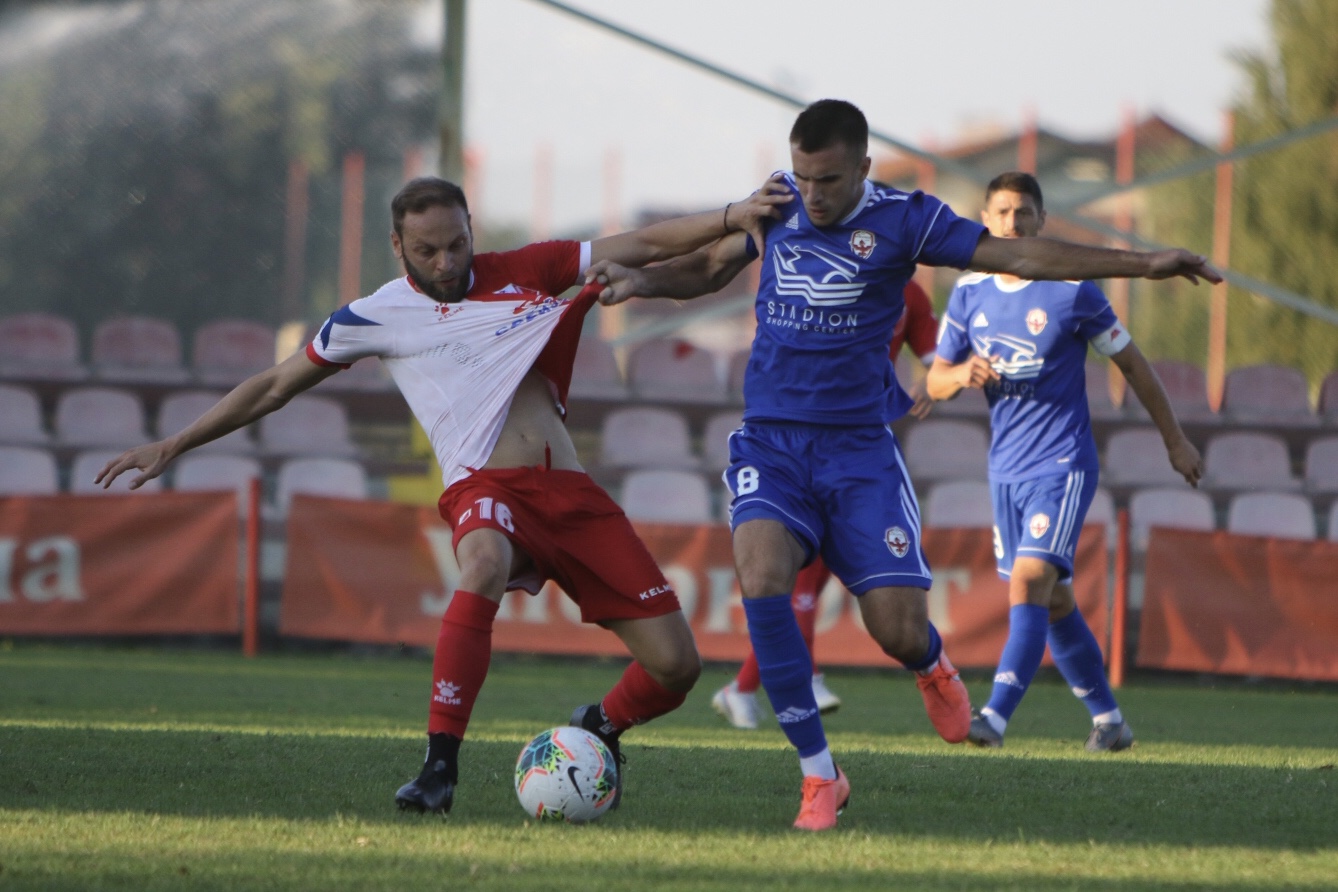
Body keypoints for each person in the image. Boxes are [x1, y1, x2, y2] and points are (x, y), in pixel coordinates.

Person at [585, 99, 1218, 831]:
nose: (811, 195)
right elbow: (708, 264)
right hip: (772, 441)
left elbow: (1018, 255)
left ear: (862, 169)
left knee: (896, 629)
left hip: (859, 451)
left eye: (826, 180)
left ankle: (932, 665)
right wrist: (644, 281)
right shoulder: (777, 204)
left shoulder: (908, 218)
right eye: (801, 177)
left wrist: (1144, 264)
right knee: (760, 578)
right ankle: (820, 778)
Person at [95, 175, 788, 816]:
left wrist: (736, 217)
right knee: (482, 560)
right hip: (483, 485)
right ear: (397, 245)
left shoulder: (530, 270)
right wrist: (175, 444)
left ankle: (598, 726)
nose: (446, 261)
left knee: (676, 667)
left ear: (470, 229)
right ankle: (438, 767)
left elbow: (644, 246)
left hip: (570, 492)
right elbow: (275, 386)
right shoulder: (375, 316)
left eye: (457, 243)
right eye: (427, 249)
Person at [926, 171, 1203, 752]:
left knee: (1029, 582)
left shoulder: (1073, 292)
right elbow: (933, 379)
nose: (1013, 224)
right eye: (1002, 213)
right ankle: (1109, 721)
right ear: (985, 221)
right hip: (1005, 471)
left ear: (1042, 222)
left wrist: (1174, 439)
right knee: (1053, 600)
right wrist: (959, 374)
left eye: (1024, 213)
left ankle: (994, 718)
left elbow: (1134, 366)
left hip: (1062, 462)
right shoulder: (969, 294)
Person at [710, 278, 940, 730]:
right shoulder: (821, 272)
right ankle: (801, 679)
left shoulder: (909, 294)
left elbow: (936, 358)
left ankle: (742, 687)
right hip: (796, 447)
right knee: (797, 587)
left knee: (809, 588)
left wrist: (941, 378)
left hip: (856, 447)